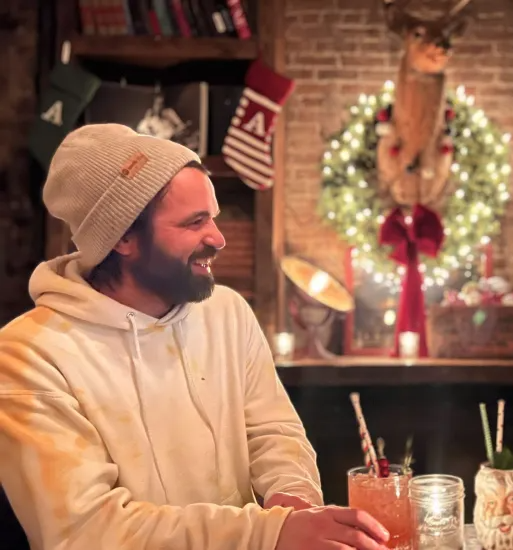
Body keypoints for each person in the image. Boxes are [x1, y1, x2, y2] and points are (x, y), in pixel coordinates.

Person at [0, 124, 391, 550]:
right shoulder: (28, 355)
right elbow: (87, 532)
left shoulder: (227, 312)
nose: (219, 238)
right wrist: (268, 533)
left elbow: (274, 431)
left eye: (213, 217)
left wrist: (293, 500)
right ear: (123, 236)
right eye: (194, 222)